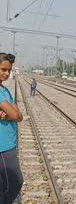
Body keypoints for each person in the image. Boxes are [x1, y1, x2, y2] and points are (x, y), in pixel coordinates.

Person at [0, 53, 23, 204]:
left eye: (9, 70)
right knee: (15, 181)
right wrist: (12, 115)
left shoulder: (5, 90)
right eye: (3, 69)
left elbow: (19, 115)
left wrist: (9, 115)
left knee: (3, 184)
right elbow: (15, 114)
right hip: (3, 147)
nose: (7, 73)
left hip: (9, 144)